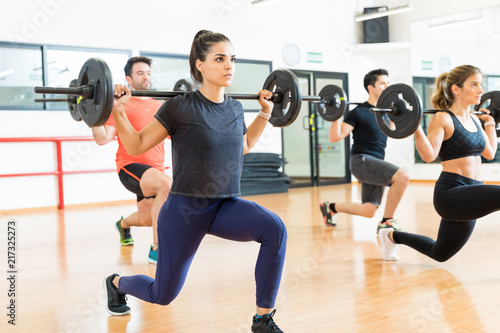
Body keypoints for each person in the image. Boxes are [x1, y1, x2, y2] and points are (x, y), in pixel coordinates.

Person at [102, 30, 287, 333]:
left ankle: (262, 320)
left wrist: (265, 114)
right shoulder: (180, 106)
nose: (229, 66)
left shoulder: (234, 107)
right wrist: (119, 110)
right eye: (219, 59)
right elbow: (135, 145)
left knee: (275, 229)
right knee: (162, 295)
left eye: (232, 59)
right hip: (185, 211)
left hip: (224, 205)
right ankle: (116, 283)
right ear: (200, 65)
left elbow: (242, 145)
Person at [378, 64, 499, 261]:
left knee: (440, 253)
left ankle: (391, 235)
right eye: (474, 84)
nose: (481, 90)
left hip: (473, 192)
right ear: (456, 89)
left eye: (481, 85)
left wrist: (491, 123)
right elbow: (428, 155)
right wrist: (414, 125)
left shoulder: (476, 121)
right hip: (451, 194)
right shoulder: (442, 118)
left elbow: (490, 152)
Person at [92, 56, 172, 264]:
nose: (145, 77)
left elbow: (179, 134)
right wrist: (91, 112)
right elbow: (103, 139)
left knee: (147, 218)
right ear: (128, 79)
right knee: (166, 184)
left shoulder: (161, 106)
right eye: (139, 73)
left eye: (148, 73)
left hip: (154, 170)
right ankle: (157, 249)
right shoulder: (122, 104)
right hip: (130, 167)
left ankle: (124, 225)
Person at [319, 69, 409, 233]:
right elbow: (335, 137)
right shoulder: (358, 112)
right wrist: (335, 114)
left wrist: (403, 110)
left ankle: (330, 207)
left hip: (375, 163)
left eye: (387, 83)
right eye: (382, 83)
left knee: (368, 210)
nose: (386, 86)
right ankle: (387, 221)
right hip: (361, 161)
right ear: (370, 87)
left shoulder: (386, 113)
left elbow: (395, 130)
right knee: (402, 176)